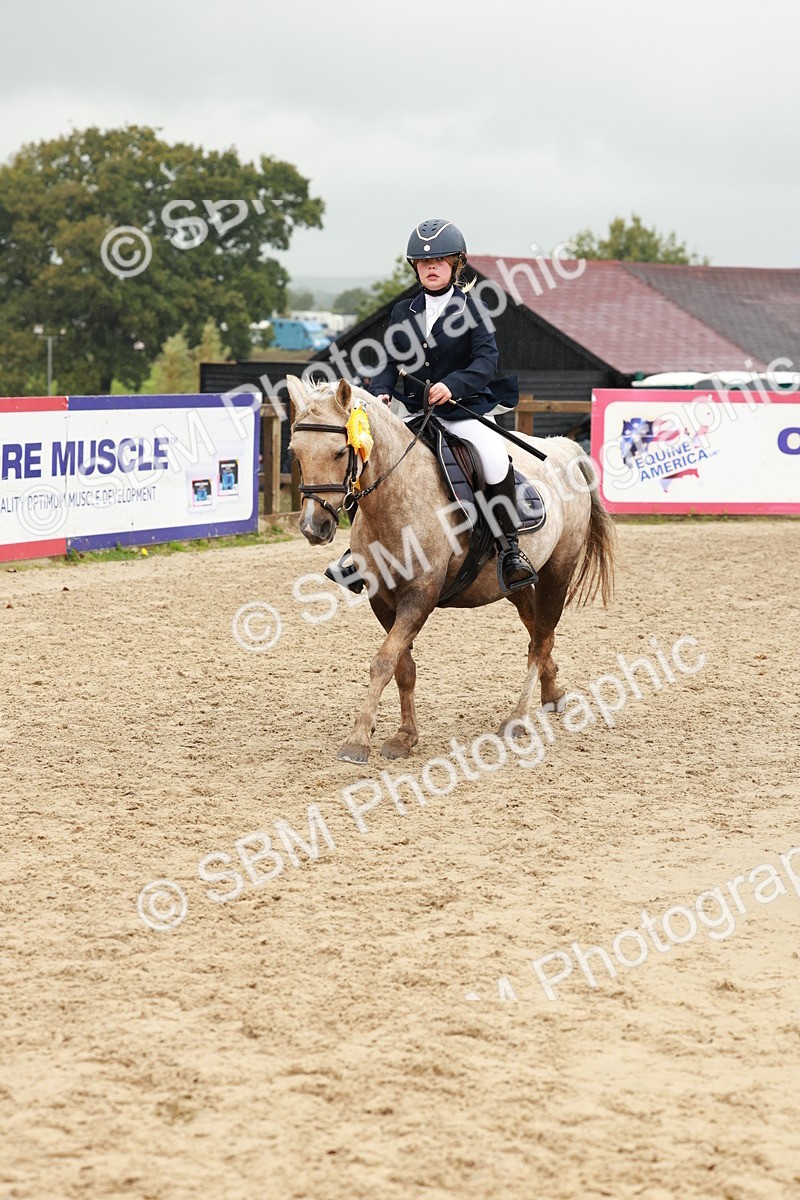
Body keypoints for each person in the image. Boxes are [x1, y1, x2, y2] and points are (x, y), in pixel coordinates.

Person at [329, 218, 537, 594]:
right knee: (370, 458)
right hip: (415, 414)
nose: (431, 268)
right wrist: (381, 393)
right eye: (424, 263)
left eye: (439, 261)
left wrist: (453, 385)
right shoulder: (403, 312)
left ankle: (510, 549)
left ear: (456, 264)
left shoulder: (473, 309)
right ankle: (357, 554)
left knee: (493, 458)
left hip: (464, 410)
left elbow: (486, 362)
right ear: (415, 267)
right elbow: (390, 362)